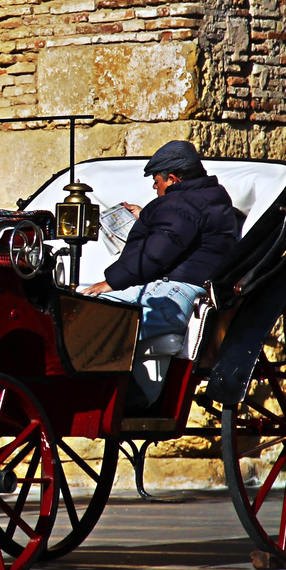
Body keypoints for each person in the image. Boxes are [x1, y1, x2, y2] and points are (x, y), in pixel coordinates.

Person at [79, 140, 241, 407]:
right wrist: (148, 216)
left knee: (94, 314)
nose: (156, 188)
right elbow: (182, 230)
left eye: (157, 182)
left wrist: (109, 283)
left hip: (172, 291)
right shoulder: (209, 196)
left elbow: (157, 253)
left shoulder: (182, 205)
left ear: (174, 179)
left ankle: (127, 394)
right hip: (178, 287)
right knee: (92, 312)